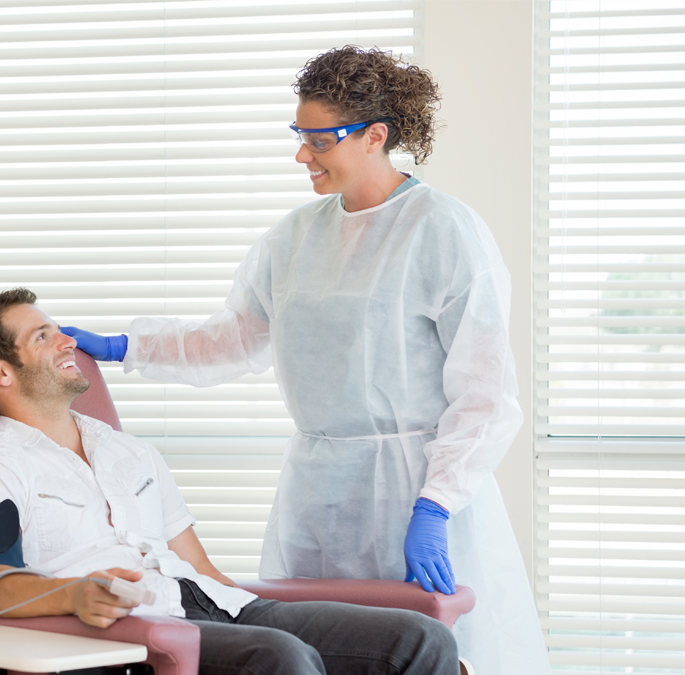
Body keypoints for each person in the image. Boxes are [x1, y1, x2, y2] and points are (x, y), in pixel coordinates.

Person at [61, 47, 550, 674]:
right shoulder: (294, 237)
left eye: (320, 139)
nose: (302, 154)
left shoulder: (444, 230)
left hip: (416, 486)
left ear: (376, 136)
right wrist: (127, 347)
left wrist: (435, 505)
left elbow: (485, 392)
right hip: (319, 492)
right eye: (300, 136)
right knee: (319, 648)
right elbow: (235, 337)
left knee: (436, 652)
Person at [0, 288, 460, 675]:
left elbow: (197, 563)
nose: (67, 340)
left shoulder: (127, 450)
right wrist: (74, 594)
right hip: (120, 632)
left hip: (222, 607)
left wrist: (257, 613)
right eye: (42, 336)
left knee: (422, 640)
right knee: (280, 659)